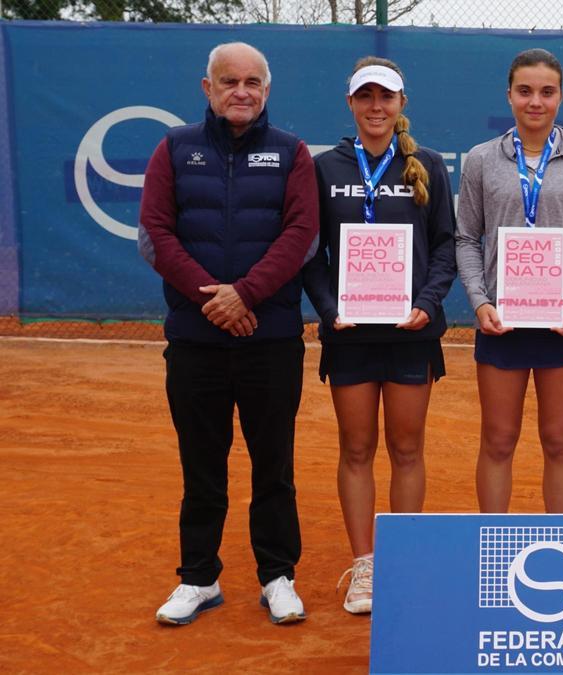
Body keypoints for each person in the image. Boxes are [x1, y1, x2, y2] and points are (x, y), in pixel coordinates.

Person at [138, 42, 318, 625]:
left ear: (267, 90)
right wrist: (213, 299)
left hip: (271, 339)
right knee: (201, 466)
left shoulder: (293, 154)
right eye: (228, 81)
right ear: (207, 88)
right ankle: (199, 579)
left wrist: (246, 293)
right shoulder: (173, 148)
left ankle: (277, 576)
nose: (241, 91)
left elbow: (302, 236)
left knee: (274, 465)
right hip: (196, 341)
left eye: (252, 82)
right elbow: (156, 235)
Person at [301, 57, 456, 614]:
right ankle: (366, 566)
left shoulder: (429, 166)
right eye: (365, 96)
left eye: (385, 97)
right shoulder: (323, 168)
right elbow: (309, 253)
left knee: (408, 448)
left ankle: (406, 559)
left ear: (401, 104)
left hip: (411, 331)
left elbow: (445, 246)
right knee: (357, 448)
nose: (375, 106)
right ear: (350, 104)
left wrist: (426, 303)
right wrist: (327, 307)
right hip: (349, 333)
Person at [456, 48, 563, 513]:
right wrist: (481, 301)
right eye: (525, 91)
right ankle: (493, 546)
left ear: (561, 97)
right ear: (509, 96)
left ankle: (558, 543)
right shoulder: (482, 159)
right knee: (499, 440)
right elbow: (466, 238)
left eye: (546, 92)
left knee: (560, 440)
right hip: (501, 321)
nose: (535, 102)